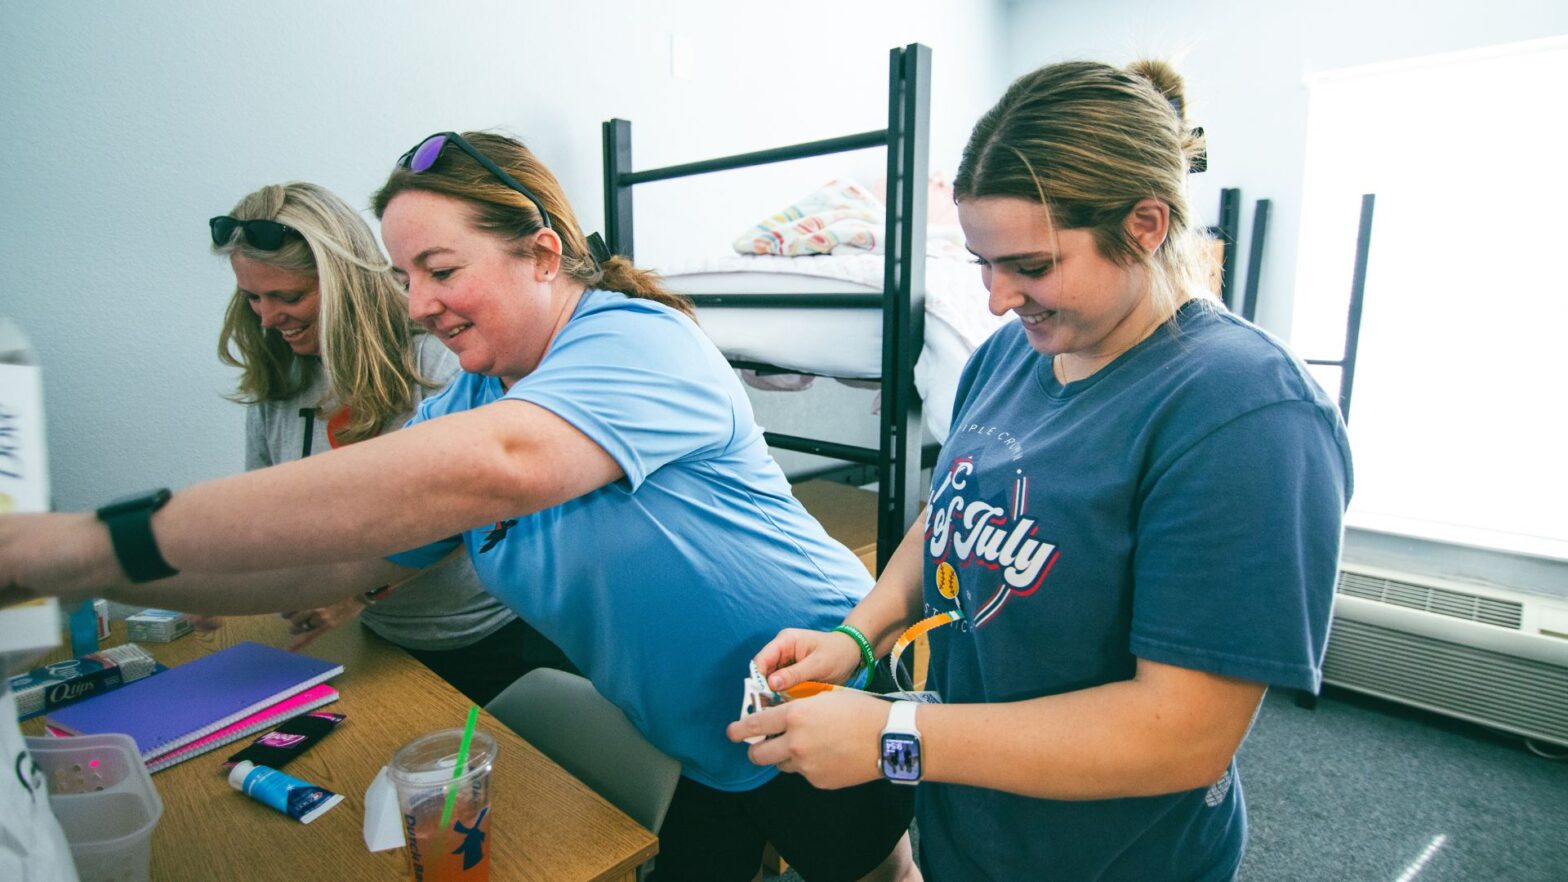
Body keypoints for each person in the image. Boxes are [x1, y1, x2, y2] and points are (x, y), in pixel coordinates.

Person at [0, 132, 916, 882]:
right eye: (406, 278)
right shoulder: (467, 401)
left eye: (440, 270)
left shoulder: (637, 341)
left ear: (543, 255)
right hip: (697, 730)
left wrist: (83, 542)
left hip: (821, 678)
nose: (420, 304)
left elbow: (500, 466)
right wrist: (122, 575)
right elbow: (338, 556)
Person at [728, 61, 1354, 881]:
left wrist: (890, 738)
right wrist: (858, 634)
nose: (996, 298)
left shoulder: (1245, 415)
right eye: (984, 264)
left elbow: (1183, 735)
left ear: (1146, 224)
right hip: (971, 832)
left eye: (1030, 266)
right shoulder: (1008, 358)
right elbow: (951, 515)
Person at [207, 181, 574, 706]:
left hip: (494, 640)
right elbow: (266, 510)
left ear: (344, 284)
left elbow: (481, 510)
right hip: (383, 644)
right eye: (252, 298)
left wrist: (357, 592)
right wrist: (214, 576)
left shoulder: (440, 363)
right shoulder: (280, 383)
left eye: (288, 297)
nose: (267, 318)